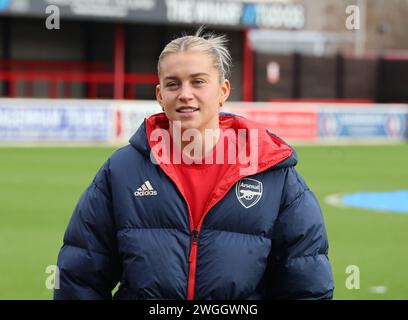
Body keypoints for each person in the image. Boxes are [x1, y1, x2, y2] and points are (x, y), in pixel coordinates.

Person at [54, 28, 334, 300]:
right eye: (173, 83)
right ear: (160, 95)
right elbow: (81, 278)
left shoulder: (273, 172)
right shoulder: (121, 171)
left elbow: (306, 285)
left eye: (198, 81)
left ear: (223, 91)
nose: (185, 93)